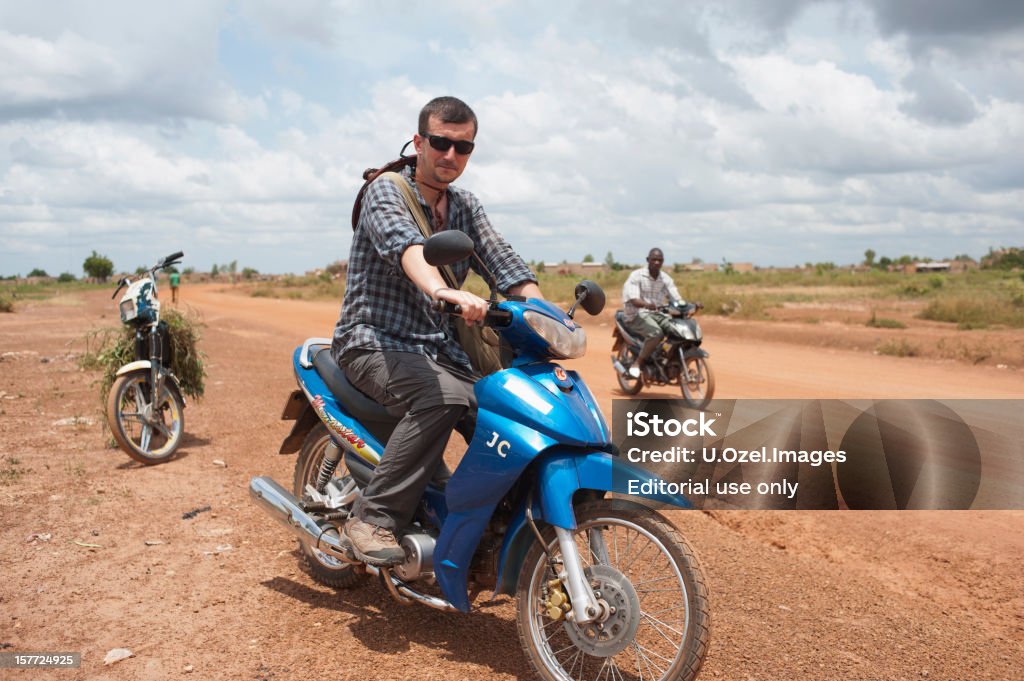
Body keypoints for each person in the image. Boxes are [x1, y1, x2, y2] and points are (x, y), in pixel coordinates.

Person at [331, 96, 542, 566]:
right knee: (445, 397)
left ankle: (487, 522)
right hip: (372, 340)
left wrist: (542, 309)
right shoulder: (386, 191)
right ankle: (373, 518)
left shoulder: (464, 205)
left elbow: (502, 260)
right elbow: (408, 249)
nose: (450, 155)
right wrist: (443, 291)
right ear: (419, 141)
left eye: (463, 148)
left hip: (436, 349)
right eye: (441, 143)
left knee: (508, 406)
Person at [621, 248, 683, 378]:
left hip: (658, 314)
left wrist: (688, 305)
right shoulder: (636, 276)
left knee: (677, 331)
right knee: (656, 333)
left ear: (662, 262)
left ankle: (664, 358)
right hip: (636, 314)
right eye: (654, 259)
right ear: (647, 260)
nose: (656, 262)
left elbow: (676, 298)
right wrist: (646, 304)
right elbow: (634, 299)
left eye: (659, 260)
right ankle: (637, 363)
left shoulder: (665, 279)